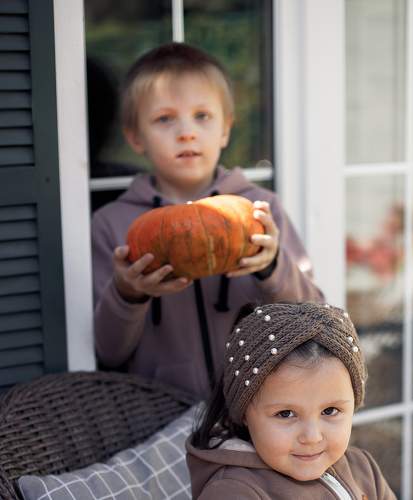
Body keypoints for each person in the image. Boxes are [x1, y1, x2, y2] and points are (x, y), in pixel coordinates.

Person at [92, 42, 324, 401]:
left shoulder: (260, 210)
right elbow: (109, 352)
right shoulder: (112, 225)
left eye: (202, 116)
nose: (186, 132)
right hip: (161, 409)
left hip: (255, 402)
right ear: (136, 137)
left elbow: (313, 317)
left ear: (225, 130)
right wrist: (128, 293)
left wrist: (272, 266)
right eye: (164, 119)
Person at [187, 302, 396, 499]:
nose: (312, 437)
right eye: (286, 414)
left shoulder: (363, 468)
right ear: (244, 414)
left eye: (330, 410)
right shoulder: (232, 492)